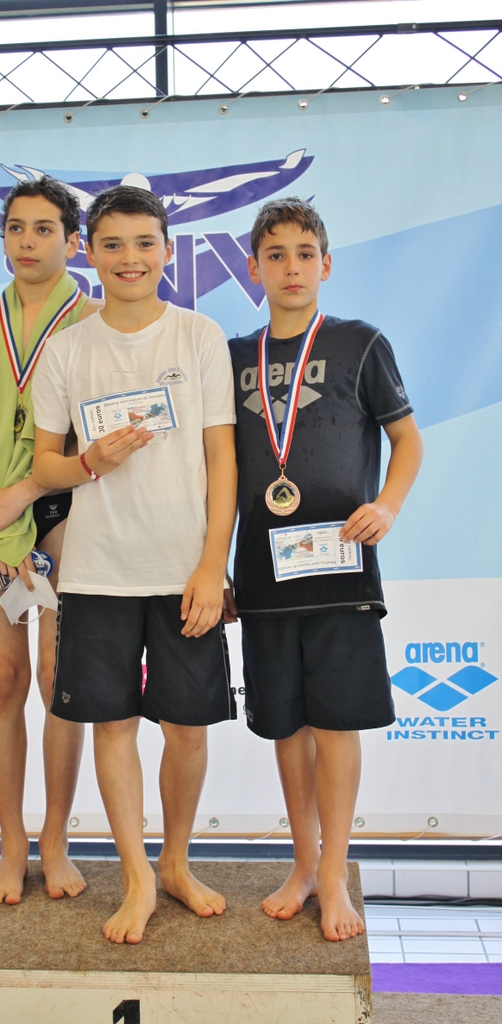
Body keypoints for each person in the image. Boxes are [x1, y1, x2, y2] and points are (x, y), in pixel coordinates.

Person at [31, 185, 238, 945]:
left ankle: (176, 862)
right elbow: (44, 466)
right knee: (112, 725)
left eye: (144, 243)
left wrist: (212, 564)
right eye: (112, 244)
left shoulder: (198, 335)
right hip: (96, 572)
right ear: (89, 252)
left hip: (184, 571)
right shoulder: (67, 349)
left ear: (167, 251)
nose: (130, 258)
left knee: (187, 728)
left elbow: (222, 458)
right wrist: (90, 462)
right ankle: (137, 877)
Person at [225, 197, 423, 941]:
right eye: (274, 255)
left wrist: (387, 506)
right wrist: (215, 564)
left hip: (341, 568)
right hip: (263, 574)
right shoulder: (232, 356)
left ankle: (334, 874)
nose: (291, 267)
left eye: (304, 253)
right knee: (287, 727)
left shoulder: (360, 344)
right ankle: (302, 864)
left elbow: (408, 441)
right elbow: (217, 472)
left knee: (336, 725)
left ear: (326, 265)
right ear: (253, 269)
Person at [0, 176, 102, 906]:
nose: (26, 241)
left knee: (56, 678)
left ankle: (55, 839)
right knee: (6, 678)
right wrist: (2, 518)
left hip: (70, 510)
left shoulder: (96, 320)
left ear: (73, 242)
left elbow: (98, 441)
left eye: (44, 229)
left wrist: (29, 501)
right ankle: (11, 845)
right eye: (15, 227)